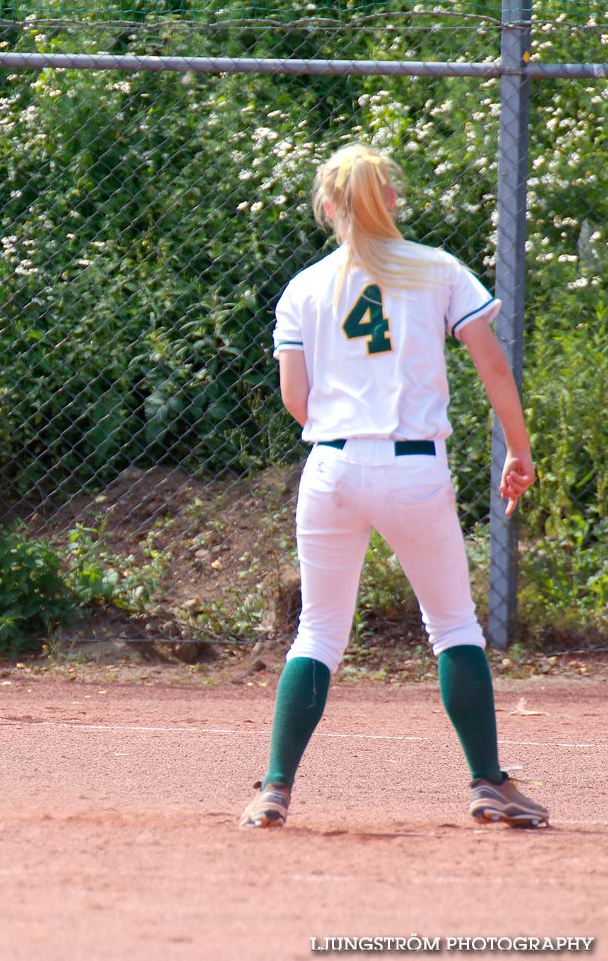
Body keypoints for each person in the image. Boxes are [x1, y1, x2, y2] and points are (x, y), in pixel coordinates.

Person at [239, 143, 547, 829]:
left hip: (332, 466)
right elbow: (495, 372)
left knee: (318, 632)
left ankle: (274, 789)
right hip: (413, 467)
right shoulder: (437, 270)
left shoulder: (305, 287)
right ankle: (487, 783)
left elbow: (298, 398)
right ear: (394, 202)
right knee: (453, 626)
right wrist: (518, 451)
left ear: (328, 208)